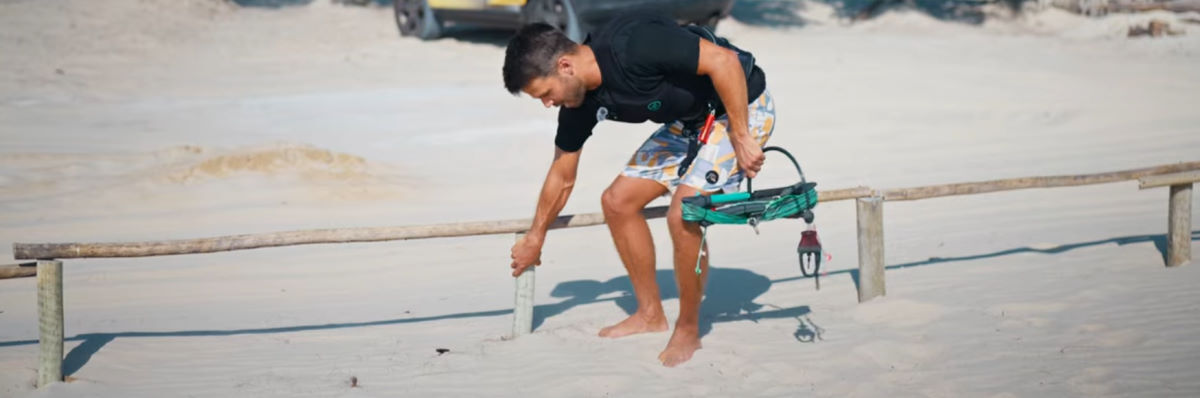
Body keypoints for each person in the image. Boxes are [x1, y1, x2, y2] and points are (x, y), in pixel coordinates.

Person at [501, 12, 775, 367]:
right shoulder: (579, 101)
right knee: (616, 202)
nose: (548, 104)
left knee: (684, 213)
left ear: (565, 65)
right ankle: (649, 314)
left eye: (545, 93)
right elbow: (562, 174)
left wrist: (740, 135)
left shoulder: (634, 45)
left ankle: (688, 328)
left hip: (740, 105)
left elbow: (725, 61)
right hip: (689, 122)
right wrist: (536, 236)